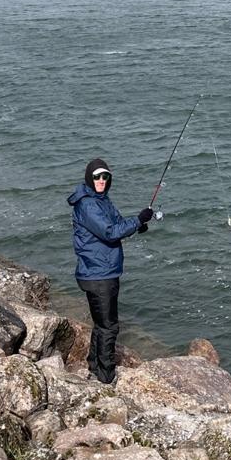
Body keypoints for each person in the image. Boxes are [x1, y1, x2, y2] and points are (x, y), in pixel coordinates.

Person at [67, 158, 154, 384]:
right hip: (98, 273)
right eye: (97, 177)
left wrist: (138, 226)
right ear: (89, 178)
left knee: (101, 324)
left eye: (105, 177)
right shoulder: (88, 204)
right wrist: (137, 221)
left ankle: (94, 366)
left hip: (101, 271)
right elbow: (109, 232)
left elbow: (117, 224)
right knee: (109, 327)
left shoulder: (101, 200)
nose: (102, 181)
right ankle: (106, 378)